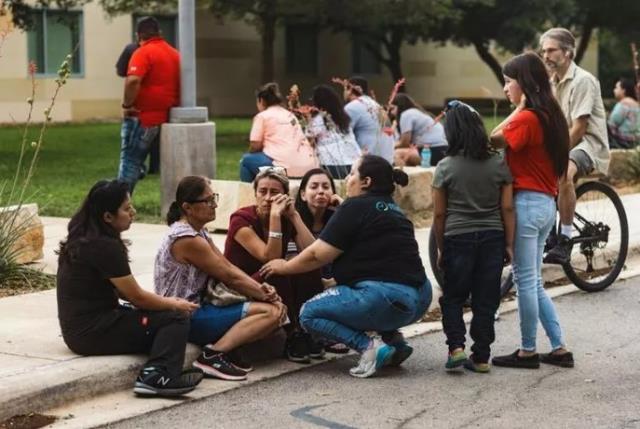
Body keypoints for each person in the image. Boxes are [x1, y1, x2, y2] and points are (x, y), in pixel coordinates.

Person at [260, 155, 432, 378]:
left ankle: (369, 347)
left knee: (309, 314)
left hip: (386, 298)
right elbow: (373, 263)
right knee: (362, 298)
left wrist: (284, 266)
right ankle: (394, 343)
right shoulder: (395, 210)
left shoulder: (356, 206)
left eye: (352, 173)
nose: (348, 179)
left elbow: (316, 255)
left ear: (366, 182)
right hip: (419, 299)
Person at [56, 180, 203, 397]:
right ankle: (157, 377)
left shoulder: (85, 238)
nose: (132, 212)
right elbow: (137, 297)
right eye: (126, 209)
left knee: (156, 316)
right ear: (108, 217)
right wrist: (174, 303)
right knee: (175, 318)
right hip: (93, 333)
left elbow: (125, 292)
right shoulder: (105, 247)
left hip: (83, 329)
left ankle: (159, 368)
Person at [154, 176, 286, 381]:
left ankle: (225, 350)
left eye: (213, 198)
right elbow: (229, 276)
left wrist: (263, 290)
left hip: (199, 307)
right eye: (207, 201)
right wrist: (265, 295)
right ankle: (212, 355)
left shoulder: (199, 233)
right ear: (187, 207)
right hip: (183, 316)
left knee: (274, 309)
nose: (214, 205)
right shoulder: (186, 238)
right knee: (271, 312)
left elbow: (227, 266)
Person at [490, 52, 574, 369]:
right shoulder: (552, 116)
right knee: (533, 280)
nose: (504, 88)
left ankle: (527, 351)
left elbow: (489, 141)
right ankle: (559, 348)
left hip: (525, 205)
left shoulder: (526, 119)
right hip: (545, 206)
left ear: (523, 84)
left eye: (508, 81)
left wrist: (517, 111)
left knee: (525, 281)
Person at [432, 100, 514, 373]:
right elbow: (507, 207)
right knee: (486, 298)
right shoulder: (498, 163)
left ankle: (456, 347)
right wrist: (509, 244)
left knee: (453, 297)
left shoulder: (445, 167)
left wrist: (442, 248)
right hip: (492, 236)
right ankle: (481, 357)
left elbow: (440, 215)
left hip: (458, 237)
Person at [224, 167, 325, 363]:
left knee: (306, 267)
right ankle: (293, 334)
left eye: (275, 192)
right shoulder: (241, 220)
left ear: (286, 196)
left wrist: (294, 216)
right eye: (263, 192)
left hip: (266, 283)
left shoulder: (287, 218)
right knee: (276, 269)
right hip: (239, 286)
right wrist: (275, 218)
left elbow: (314, 253)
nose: (268, 198)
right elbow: (268, 256)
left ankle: (307, 328)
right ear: (255, 194)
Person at [539, 28, 610, 264]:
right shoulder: (550, 83)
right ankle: (548, 231)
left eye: (551, 50)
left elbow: (579, 128)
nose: (546, 55)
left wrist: (555, 155)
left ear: (567, 52)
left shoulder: (583, 81)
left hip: (589, 145)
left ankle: (565, 239)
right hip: (567, 143)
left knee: (563, 171)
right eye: (544, 51)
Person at [118, 16, 180, 193]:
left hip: (142, 118)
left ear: (138, 35)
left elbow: (132, 81)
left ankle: (119, 203)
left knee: (130, 161)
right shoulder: (175, 54)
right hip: (166, 119)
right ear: (159, 32)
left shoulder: (143, 52)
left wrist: (127, 105)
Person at [239, 83, 318, 182]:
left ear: (261, 101)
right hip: (308, 166)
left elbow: (255, 145)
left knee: (246, 161)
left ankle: (250, 194)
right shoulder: (290, 115)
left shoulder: (262, 116)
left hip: (284, 168)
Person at [305, 85, 362, 179]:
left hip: (331, 164)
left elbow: (309, 143)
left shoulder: (318, 120)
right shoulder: (344, 117)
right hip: (353, 163)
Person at [343, 76, 394, 164]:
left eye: (344, 89)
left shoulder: (351, 107)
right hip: (388, 159)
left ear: (350, 90)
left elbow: (343, 136)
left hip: (369, 163)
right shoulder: (377, 105)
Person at [391, 93, 448, 167]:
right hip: (443, 150)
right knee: (407, 157)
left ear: (400, 106)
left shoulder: (406, 114)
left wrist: (389, 147)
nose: (391, 113)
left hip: (434, 150)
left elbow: (404, 143)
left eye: (393, 109)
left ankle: (401, 177)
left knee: (396, 154)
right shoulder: (417, 112)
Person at [608, 77, 640, 149]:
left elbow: (612, 123)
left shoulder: (624, 104)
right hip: (636, 141)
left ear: (623, 90)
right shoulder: (637, 104)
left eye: (616, 88)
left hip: (623, 141)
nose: (614, 90)